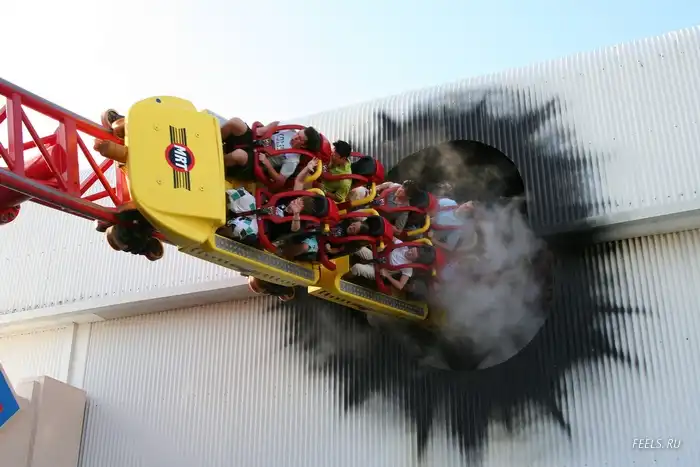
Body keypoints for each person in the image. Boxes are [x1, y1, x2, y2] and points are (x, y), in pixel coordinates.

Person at [220, 117, 322, 185]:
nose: (295, 137)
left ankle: (216, 162)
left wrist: (267, 164)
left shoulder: (293, 160)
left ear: (304, 145)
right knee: (236, 122)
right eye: (298, 133)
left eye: (299, 139)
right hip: (255, 141)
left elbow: (280, 181)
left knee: (238, 155)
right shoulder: (290, 131)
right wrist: (265, 129)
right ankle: (214, 139)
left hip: (256, 160)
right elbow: (277, 123)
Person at [347, 238, 435, 292]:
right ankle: (343, 250)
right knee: (359, 248)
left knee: (357, 268)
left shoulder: (408, 269)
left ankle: (346, 276)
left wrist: (387, 275)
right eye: (411, 250)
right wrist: (382, 242)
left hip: (378, 271)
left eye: (412, 255)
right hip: (376, 257)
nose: (409, 252)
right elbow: (390, 236)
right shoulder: (402, 245)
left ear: (415, 260)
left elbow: (400, 286)